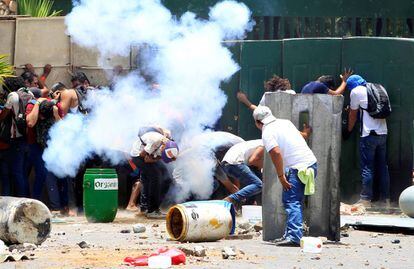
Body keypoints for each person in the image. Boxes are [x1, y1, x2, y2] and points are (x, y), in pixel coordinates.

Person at [253, 106, 317, 247]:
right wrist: (306, 133)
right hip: (310, 163)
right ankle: (290, 234)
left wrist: (281, 176)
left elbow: (275, 152)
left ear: (258, 122)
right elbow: (300, 136)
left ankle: (294, 237)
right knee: (293, 200)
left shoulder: (267, 132)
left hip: (298, 168)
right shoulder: (285, 122)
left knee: (291, 201)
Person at [346, 74, 390, 207]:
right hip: (383, 132)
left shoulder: (356, 91)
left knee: (367, 167)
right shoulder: (379, 87)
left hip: (368, 134)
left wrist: (348, 130)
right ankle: (385, 200)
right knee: (383, 167)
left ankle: (365, 200)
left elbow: (353, 114)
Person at [130, 126, 179, 218]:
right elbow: (143, 156)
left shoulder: (169, 143)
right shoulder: (155, 141)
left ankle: (146, 208)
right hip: (138, 155)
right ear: (164, 147)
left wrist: (157, 158)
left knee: (167, 179)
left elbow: (159, 157)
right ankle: (152, 210)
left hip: (149, 155)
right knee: (155, 176)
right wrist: (154, 159)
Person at [0, 77, 34, 197]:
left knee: (16, 172)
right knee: (23, 173)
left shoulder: (13, 95)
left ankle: (21, 200)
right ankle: (26, 198)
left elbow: (3, 115)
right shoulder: (29, 93)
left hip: (16, 139)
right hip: (28, 137)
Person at [26, 98, 63, 201]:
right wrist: (37, 104)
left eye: (43, 116)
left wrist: (55, 115)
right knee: (42, 174)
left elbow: (64, 128)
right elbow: (30, 123)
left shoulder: (56, 108)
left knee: (52, 175)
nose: (41, 118)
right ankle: (35, 201)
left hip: (53, 146)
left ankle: (57, 205)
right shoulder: (33, 106)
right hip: (36, 146)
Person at [221, 139, 264, 205]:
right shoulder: (264, 144)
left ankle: (250, 204)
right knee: (259, 184)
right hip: (235, 163)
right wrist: (262, 165)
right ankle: (231, 199)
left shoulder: (258, 142)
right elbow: (252, 160)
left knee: (255, 182)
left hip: (227, 164)